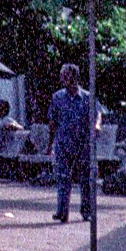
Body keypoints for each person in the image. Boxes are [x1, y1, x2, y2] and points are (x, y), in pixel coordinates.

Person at [45, 62, 98, 223]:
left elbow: (96, 115)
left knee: (85, 179)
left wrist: (96, 127)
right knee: (63, 178)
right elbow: (52, 121)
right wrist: (50, 144)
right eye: (62, 76)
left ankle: (86, 211)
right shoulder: (57, 97)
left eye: (65, 76)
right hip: (63, 143)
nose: (62, 79)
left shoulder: (87, 97)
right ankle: (62, 212)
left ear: (73, 77)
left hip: (83, 144)